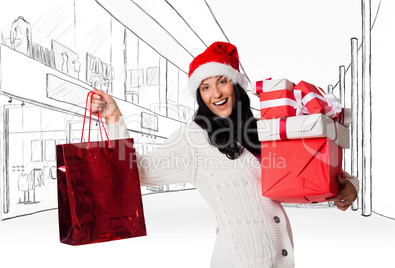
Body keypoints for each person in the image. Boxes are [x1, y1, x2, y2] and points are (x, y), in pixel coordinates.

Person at [90, 41, 359, 268]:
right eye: (205, 87)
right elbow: (134, 171)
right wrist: (115, 119)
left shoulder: (261, 128)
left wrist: (347, 185)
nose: (215, 93)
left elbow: (300, 173)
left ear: (237, 86)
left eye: (222, 82)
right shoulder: (195, 137)